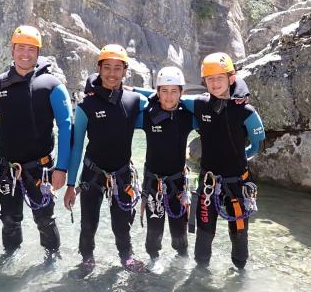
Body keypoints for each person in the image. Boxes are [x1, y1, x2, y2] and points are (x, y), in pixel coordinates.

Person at [0, 25, 72, 257]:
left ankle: (52, 262)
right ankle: (9, 261)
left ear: (38, 53)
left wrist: (62, 168)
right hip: (9, 168)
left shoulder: (52, 85)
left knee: (45, 220)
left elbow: (66, 126)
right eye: (21, 48)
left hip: (41, 168)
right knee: (9, 220)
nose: (25, 54)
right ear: (12, 49)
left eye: (31, 49)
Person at [64, 44, 149, 272]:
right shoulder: (86, 105)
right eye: (107, 68)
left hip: (122, 173)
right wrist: (71, 184)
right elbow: (76, 147)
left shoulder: (133, 100)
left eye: (118, 68)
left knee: (121, 224)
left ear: (125, 71)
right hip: (93, 172)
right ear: (99, 69)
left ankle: (126, 257)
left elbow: (161, 97)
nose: (112, 74)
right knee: (89, 222)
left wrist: (134, 89)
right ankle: (87, 258)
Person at [190, 52, 265, 269]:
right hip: (208, 183)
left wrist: (241, 158)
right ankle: (200, 278)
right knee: (204, 235)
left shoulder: (246, 112)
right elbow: (168, 96)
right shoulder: (200, 104)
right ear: (204, 81)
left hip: (237, 184)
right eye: (209, 79)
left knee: (239, 237)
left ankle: (240, 278)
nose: (214, 83)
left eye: (219, 78)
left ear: (231, 78)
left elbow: (258, 144)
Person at [138, 66, 194, 262]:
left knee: (179, 229)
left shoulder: (187, 117)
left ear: (181, 93)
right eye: (164, 91)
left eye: (174, 91)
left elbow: (208, 104)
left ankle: (182, 258)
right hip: (153, 183)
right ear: (157, 92)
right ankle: (154, 260)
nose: (169, 97)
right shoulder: (147, 116)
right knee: (154, 230)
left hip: (178, 184)